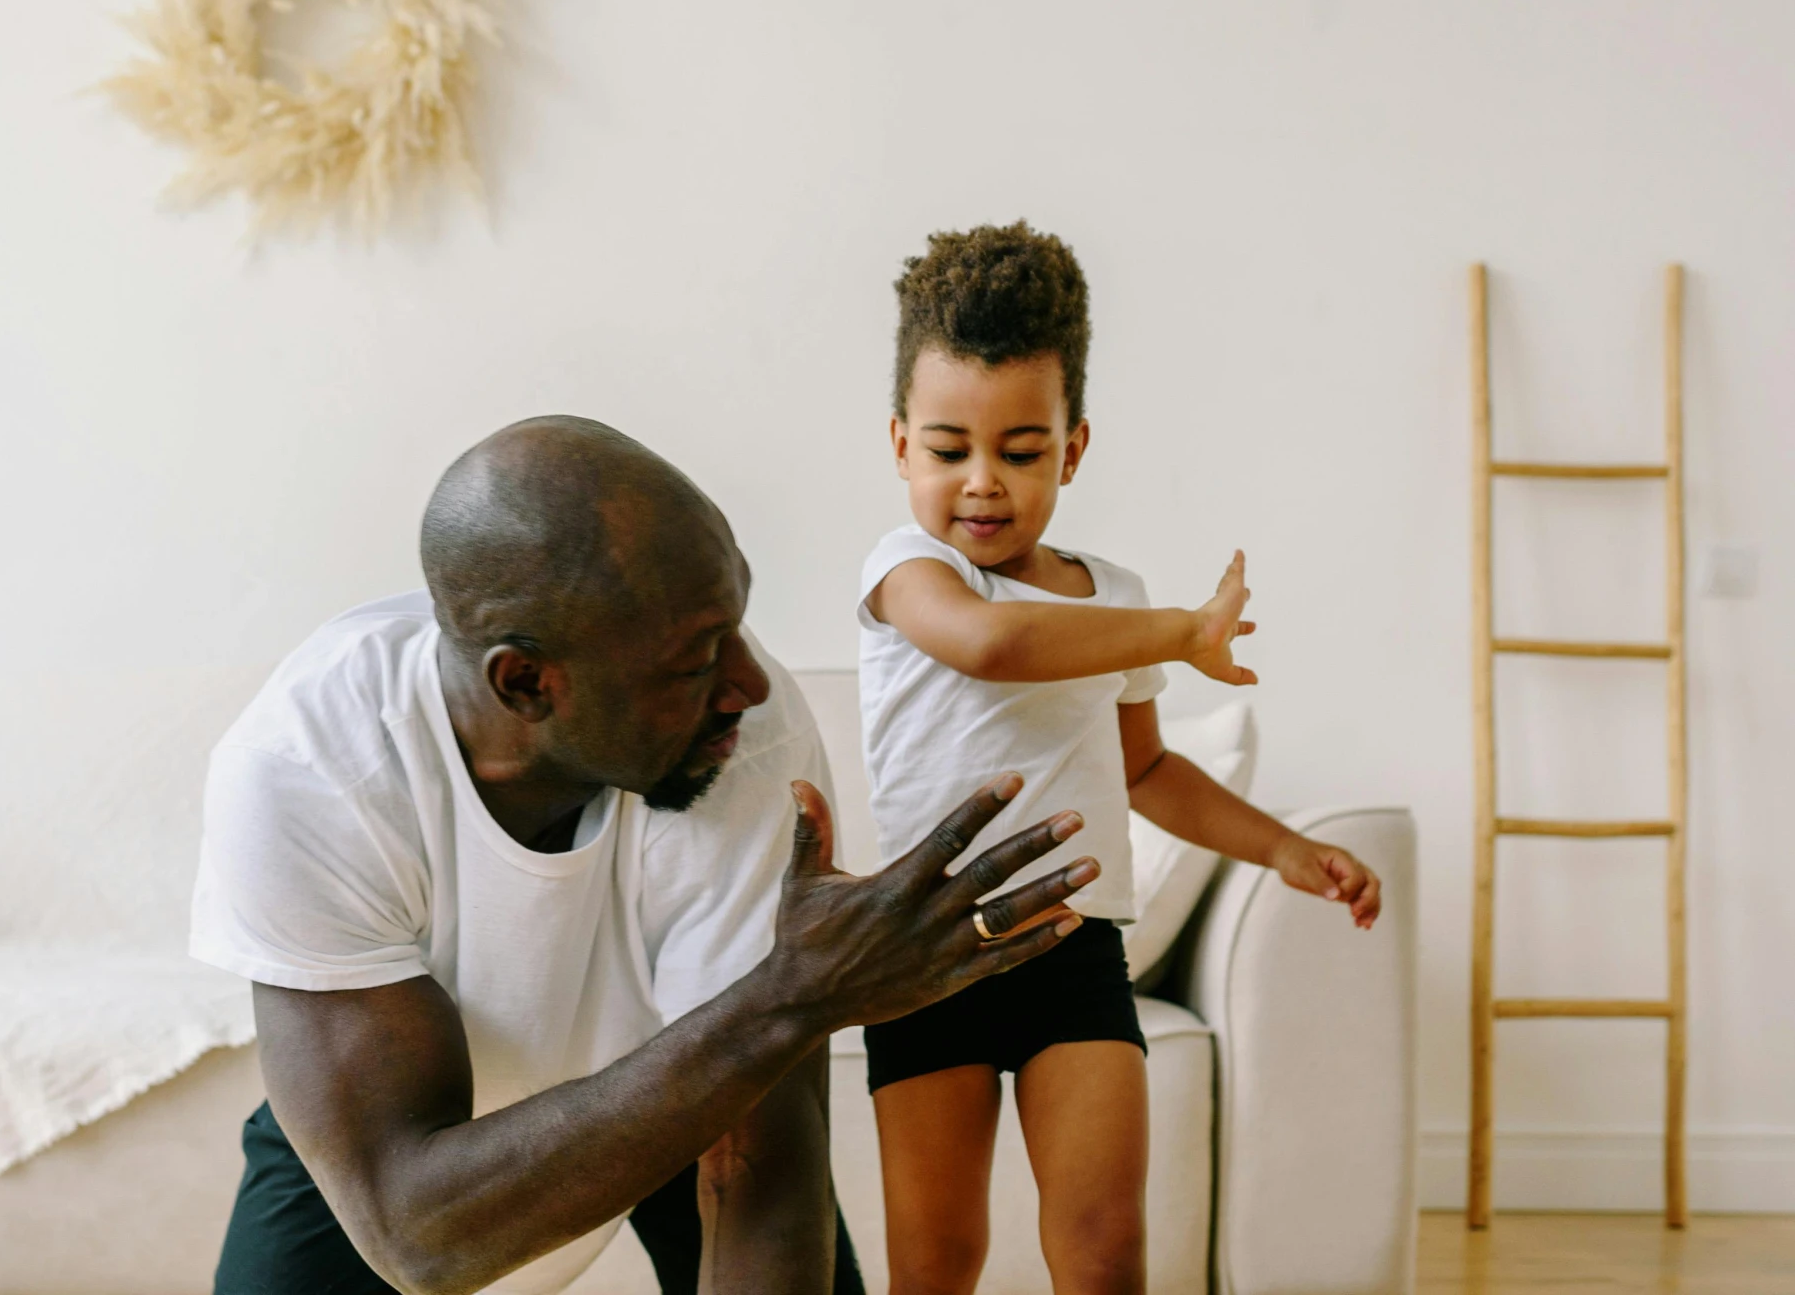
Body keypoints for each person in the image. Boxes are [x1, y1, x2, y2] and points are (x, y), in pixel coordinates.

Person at [191, 416, 1101, 1295]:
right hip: (404, 1151)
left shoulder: (745, 734)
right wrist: (796, 994)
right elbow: (417, 1235)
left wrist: (780, 1008)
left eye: (735, 626)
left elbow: (758, 1174)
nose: (747, 681)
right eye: (694, 659)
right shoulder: (313, 766)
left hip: (685, 1065)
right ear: (525, 681)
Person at [857, 224, 1384, 1295]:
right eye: (950, 448)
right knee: (936, 1258)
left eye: (1021, 449)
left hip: (1071, 955)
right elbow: (994, 644)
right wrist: (1183, 634)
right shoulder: (906, 570)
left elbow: (1145, 773)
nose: (982, 483)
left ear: (1073, 447)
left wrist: (1280, 846)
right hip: (922, 954)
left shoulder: (1116, 597)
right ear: (901, 442)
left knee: (1102, 1249)